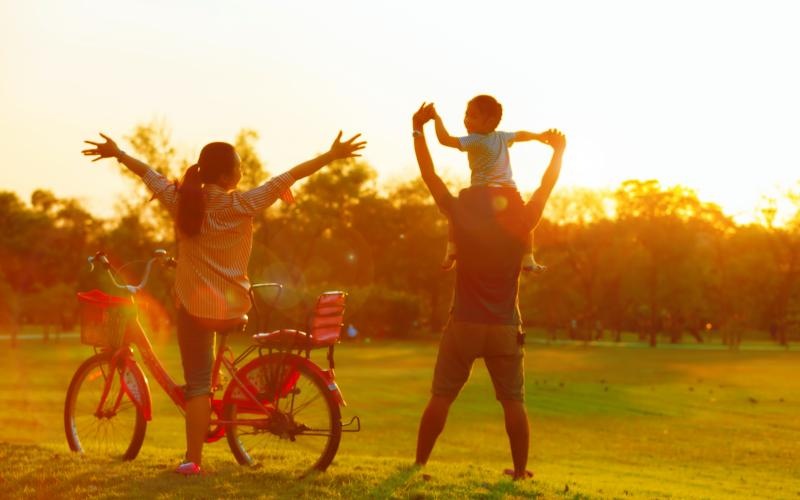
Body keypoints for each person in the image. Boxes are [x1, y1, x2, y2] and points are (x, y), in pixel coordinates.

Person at [82, 130, 365, 475]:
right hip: (233, 308)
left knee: (198, 384)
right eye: (240, 165)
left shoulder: (182, 201)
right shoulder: (243, 204)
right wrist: (331, 156)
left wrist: (118, 153)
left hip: (194, 310)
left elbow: (149, 176)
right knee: (207, 377)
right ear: (227, 176)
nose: (243, 170)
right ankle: (215, 418)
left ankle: (193, 461)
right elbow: (290, 175)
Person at [411, 102, 565, 480]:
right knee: (513, 402)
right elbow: (546, 187)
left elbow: (430, 175)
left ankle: (419, 465)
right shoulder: (521, 217)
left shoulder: (461, 210)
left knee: (440, 398)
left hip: (463, 322)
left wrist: (418, 130)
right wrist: (559, 152)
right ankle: (520, 470)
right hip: (503, 326)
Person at [432, 95, 548, 273]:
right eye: (466, 114)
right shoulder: (501, 137)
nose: (467, 120)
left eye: (473, 116)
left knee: (455, 212)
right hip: (508, 192)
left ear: (490, 121)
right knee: (525, 222)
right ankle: (528, 258)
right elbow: (522, 135)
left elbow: (444, 139)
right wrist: (538, 136)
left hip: (481, 192)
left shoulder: (475, 140)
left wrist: (436, 119)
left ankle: (451, 248)